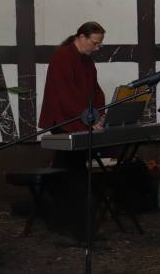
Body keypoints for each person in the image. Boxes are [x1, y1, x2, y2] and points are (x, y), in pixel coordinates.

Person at [38, 21, 106, 238]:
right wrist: (87, 120)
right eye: (95, 43)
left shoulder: (86, 60)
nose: (96, 48)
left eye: (99, 44)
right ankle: (71, 225)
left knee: (67, 172)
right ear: (82, 37)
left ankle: (63, 220)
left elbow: (95, 90)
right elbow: (66, 97)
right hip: (64, 120)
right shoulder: (62, 57)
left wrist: (99, 113)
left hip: (80, 118)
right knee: (72, 174)